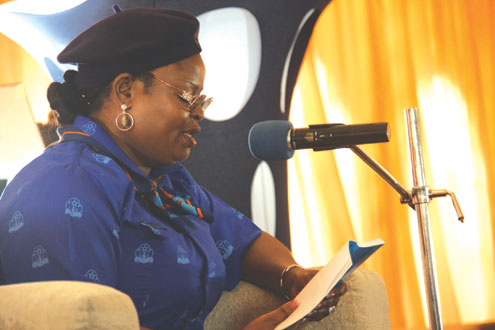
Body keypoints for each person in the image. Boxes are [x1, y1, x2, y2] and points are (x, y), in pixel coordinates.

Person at [0, 7, 346, 330]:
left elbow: (242, 241)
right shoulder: (64, 188)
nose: (199, 114)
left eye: (201, 101)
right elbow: (87, 320)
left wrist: (291, 276)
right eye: (186, 95)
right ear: (126, 92)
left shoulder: (165, 181)